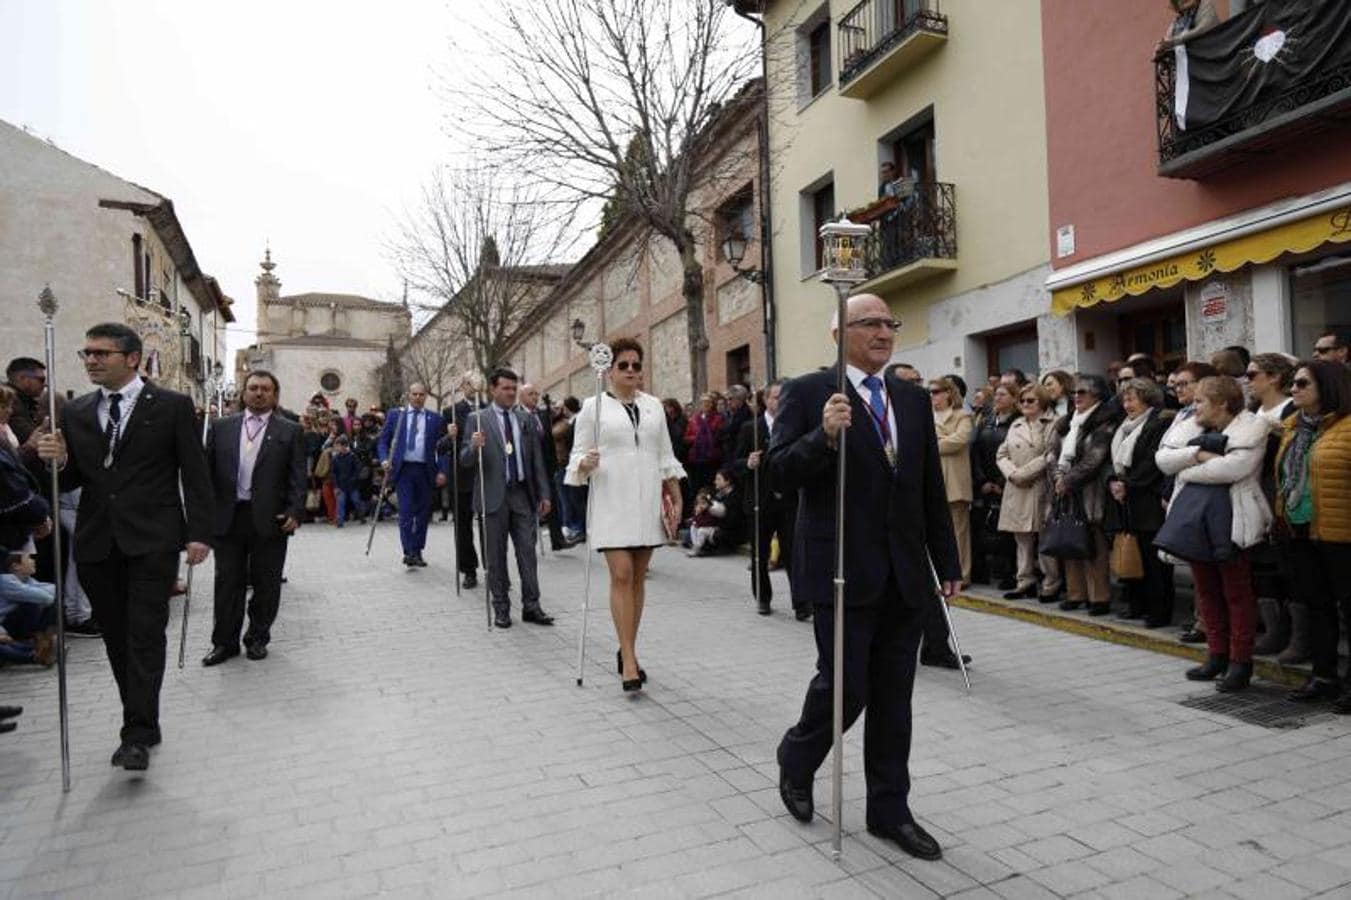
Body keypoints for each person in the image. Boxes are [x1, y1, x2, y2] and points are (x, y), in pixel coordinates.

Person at [771, 294, 960, 861]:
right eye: (870, 322)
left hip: (904, 574)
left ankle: (889, 810)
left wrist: (945, 564)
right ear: (839, 332)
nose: (884, 331)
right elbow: (781, 474)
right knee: (845, 687)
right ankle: (798, 759)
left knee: (893, 699)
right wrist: (822, 437)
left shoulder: (909, 396)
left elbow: (927, 486)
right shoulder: (810, 393)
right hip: (840, 570)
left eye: (889, 323)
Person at [36, 322, 212, 772]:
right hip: (98, 543)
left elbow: (194, 473)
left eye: (101, 353)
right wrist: (54, 462)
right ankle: (140, 717)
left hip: (152, 540)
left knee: (145, 634)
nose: (92, 360)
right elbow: (71, 481)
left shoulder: (171, 406)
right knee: (117, 638)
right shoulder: (75, 413)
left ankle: (136, 732)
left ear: (131, 358)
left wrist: (199, 533)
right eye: (87, 353)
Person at [568, 338, 684, 689]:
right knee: (620, 574)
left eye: (636, 365)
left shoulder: (653, 407)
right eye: (624, 365)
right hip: (611, 501)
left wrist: (677, 499)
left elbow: (665, 455)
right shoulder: (593, 408)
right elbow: (576, 455)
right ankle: (630, 662)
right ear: (609, 371)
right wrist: (584, 463)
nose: (631, 371)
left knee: (637, 577)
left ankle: (626, 648)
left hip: (647, 501)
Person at [1161, 376, 1270, 692]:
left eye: (1200, 401)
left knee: (1237, 595)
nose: (1194, 407)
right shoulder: (1192, 427)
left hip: (1234, 518)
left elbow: (1232, 470)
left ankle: (1240, 662)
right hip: (1196, 519)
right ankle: (1217, 655)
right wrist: (1199, 455)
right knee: (1207, 592)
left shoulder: (1252, 427)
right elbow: (1163, 459)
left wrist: (1186, 466)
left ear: (1223, 404)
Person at [201, 370, 306, 666]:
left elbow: (299, 476)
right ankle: (224, 643)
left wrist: (295, 511)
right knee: (227, 583)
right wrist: (202, 515)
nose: (259, 393)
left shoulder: (290, 430)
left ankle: (258, 638)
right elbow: (206, 474)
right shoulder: (221, 428)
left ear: (275, 394)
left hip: (270, 519)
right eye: (253, 388)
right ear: (243, 393)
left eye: (266, 389)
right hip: (228, 517)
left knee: (266, 583)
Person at [1276, 360, 1351, 709]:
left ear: (1328, 386)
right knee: (1317, 607)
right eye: (1293, 383)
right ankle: (1324, 677)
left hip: (1341, 533)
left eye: (1302, 383)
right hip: (1301, 530)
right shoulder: (1293, 427)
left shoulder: (1347, 427)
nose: (1294, 389)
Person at [465, 368, 555, 628]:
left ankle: (532, 605)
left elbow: (536, 460)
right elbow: (465, 461)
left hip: (521, 495)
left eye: (513, 389)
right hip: (493, 497)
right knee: (496, 556)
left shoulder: (523, 420)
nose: (510, 393)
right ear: (493, 389)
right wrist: (473, 446)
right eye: (505, 388)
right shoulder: (477, 419)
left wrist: (544, 493)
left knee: (527, 552)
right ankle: (501, 608)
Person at [1048, 374, 1122, 616]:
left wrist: (1068, 480)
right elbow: (1051, 453)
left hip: (1091, 491)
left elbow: (1095, 458)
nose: (1076, 397)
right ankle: (1075, 594)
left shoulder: (1105, 420)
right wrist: (1059, 477)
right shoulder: (1067, 422)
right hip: (1064, 491)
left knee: (1094, 545)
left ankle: (1099, 597)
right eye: (1074, 393)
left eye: (1083, 392)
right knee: (1069, 541)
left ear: (1097, 395)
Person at [1103, 378, 1174, 627]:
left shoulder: (1160, 422)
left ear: (1147, 398)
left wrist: (1127, 485)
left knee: (1154, 561)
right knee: (1132, 554)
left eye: (1132, 399)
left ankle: (1159, 611)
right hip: (1125, 499)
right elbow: (1114, 460)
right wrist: (1114, 480)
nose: (1126, 404)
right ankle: (1137, 605)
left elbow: (1153, 460)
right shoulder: (1124, 426)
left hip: (1148, 499)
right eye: (1124, 399)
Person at [1155, 361, 1218, 642]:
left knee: (1204, 565)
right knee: (1195, 567)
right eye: (1176, 384)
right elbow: (1166, 455)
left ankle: (1207, 624)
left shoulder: (1207, 418)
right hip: (1175, 490)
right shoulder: (1183, 413)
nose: (1178, 389)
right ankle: (1201, 621)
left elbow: (1189, 455)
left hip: (1197, 493)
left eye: (1185, 383)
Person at [1246, 353, 1301, 659]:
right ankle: (1273, 631)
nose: (1248, 380)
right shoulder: (1252, 410)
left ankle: (1296, 636)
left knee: (1288, 567)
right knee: (1262, 566)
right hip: (1254, 494)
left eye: (1253, 375)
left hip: (1280, 493)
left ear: (1275, 377)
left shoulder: (1291, 409)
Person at [734, 380, 804, 619]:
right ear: (765, 400)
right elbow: (734, 464)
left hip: (788, 499)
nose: (780, 402)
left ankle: (802, 602)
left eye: (784, 397)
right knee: (760, 554)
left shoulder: (794, 426)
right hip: (760, 500)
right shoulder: (749, 428)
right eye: (776, 397)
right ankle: (763, 597)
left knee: (794, 552)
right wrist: (747, 463)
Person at [996, 384, 1058, 601]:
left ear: (1041, 401)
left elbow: (1051, 454)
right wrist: (1012, 474)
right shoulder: (1016, 423)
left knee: (1044, 537)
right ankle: (1024, 582)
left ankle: (1051, 583)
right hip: (1017, 487)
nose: (1025, 405)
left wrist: (1024, 473)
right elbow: (1001, 454)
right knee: (1021, 538)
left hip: (1040, 485)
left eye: (1030, 400)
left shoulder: (1053, 422)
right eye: (1022, 401)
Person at [377, 383, 448, 568]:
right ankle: (408, 551)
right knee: (406, 511)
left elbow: (442, 449)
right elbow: (383, 441)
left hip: (425, 470)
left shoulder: (435, 419)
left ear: (426, 397)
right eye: (414, 394)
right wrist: (384, 459)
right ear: (409, 395)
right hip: (404, 470)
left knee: (423, 514)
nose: (418, 397)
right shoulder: (396, 416)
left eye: (421, 395)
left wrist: (442, 470)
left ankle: (417, 550)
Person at [970, 383, 1017, 589]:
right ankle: (984, 572)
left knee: (1008, 533)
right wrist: (982, 480)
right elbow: (975, 452)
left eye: (1003, 394)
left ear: (1014, 398)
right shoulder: (986, 422)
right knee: (983, 527)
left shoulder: (1017, 423)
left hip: (1007, 482)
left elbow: (1015, 454)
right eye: (996, 394)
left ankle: (1011, 574)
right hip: (985, 483)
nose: (997, 398)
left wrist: (1000, 482)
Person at [930, 376, 973, 585]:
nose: (932, 396)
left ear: (948, 392)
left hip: (956, 480)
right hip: (932, 480)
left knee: (959, 532)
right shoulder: (926, 415)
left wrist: (933, 443)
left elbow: (960, 440)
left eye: (936, 391)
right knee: (935, 530)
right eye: (930, 392)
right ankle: (939, 573)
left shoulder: (962, 415)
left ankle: (962, 574)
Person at [519, 383, 569, 551]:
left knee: (553, 502)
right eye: (531, 394)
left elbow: (550, 438)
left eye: (536, 393)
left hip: (547, 466)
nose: (535, 396)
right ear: (522, 397)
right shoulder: (517, 416)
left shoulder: (542, 414)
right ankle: (528, 543)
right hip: (528, 468)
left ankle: (557, 540)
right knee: (529, 506)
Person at [447, 380, 483, 588]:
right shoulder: (451, 412)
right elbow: (441, 447)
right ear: (462, 387)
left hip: (485, 475)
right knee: (463, 527)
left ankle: (494, 567)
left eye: (477, 383)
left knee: (489, 526)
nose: (474, 387)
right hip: (461, 477)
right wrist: (449, 436)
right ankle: (468, 570)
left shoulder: (489, 409)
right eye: (469, 383)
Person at [0, 547, 57, 667]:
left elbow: (54, 590)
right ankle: (35, 654)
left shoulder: (27, 580)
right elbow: (47, 597)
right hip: (5, 625)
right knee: (31, 603)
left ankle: (40, 645)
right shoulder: (5, 581)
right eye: (28, 558)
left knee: (42, 602)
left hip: (6, 629)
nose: (33, 561)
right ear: (16, 566)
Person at [683, 394, 723, 497]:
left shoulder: (717, 418)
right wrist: (697, 438)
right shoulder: (694, 419)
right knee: (697, 486)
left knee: (710, 484)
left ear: (712, 404)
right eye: (703, 403)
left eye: (708, 402)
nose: (705, 405)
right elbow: (687, 437)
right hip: (696, 458)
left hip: (711, 458)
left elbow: (718, 435)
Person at [329, 435, 364, 526]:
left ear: (344, 446)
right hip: (341, 485)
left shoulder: (352, 456)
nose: (336, 448)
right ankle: (340, 521)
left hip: (352, 484)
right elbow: (333, 473)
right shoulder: (335, 458)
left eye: (338, 446)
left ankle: (361, 516)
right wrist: (336, 486)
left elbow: (358, 469)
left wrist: (354, 479)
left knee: (356, 500)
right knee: (340, 502)